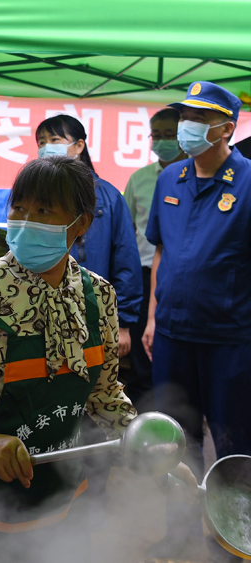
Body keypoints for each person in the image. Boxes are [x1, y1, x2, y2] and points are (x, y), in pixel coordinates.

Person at [0, 156, 197, 563]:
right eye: (18, 207)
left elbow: (105, 393)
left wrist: (154, 453)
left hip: (61, 497)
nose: (24, 220)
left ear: (81, 224)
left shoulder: (97, 297)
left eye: (42, 210)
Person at [143, 81, 251, 562]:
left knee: (232, 443)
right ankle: (180, 532)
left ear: (226, 129)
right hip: (170, 335)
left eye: (199, 120)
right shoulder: (171, 179)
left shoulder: (249, 181)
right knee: (173, 441)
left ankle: (234, 537)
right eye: (185, 116)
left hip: (231, 339)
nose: (186, 127)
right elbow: (161, 254)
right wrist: (150, 319)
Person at [35, 115, 142, 348]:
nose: (45, 147)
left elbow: (126, 260)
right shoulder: (34, 195)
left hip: (93, 312)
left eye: (54, 139)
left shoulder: (108, 197)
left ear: (79, 146)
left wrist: (123, 323)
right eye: (41, 142)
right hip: (40, 310)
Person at [122, 108, 186, 408]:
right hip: (144, 274)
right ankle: (144, 410)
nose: (161, 141)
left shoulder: (194, 175)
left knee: (173, 345)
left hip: (180, 276)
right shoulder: (140, 178)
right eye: (156, 135)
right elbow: (128, 228)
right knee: (141, 348)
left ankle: (176, 404)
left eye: (169, 135)